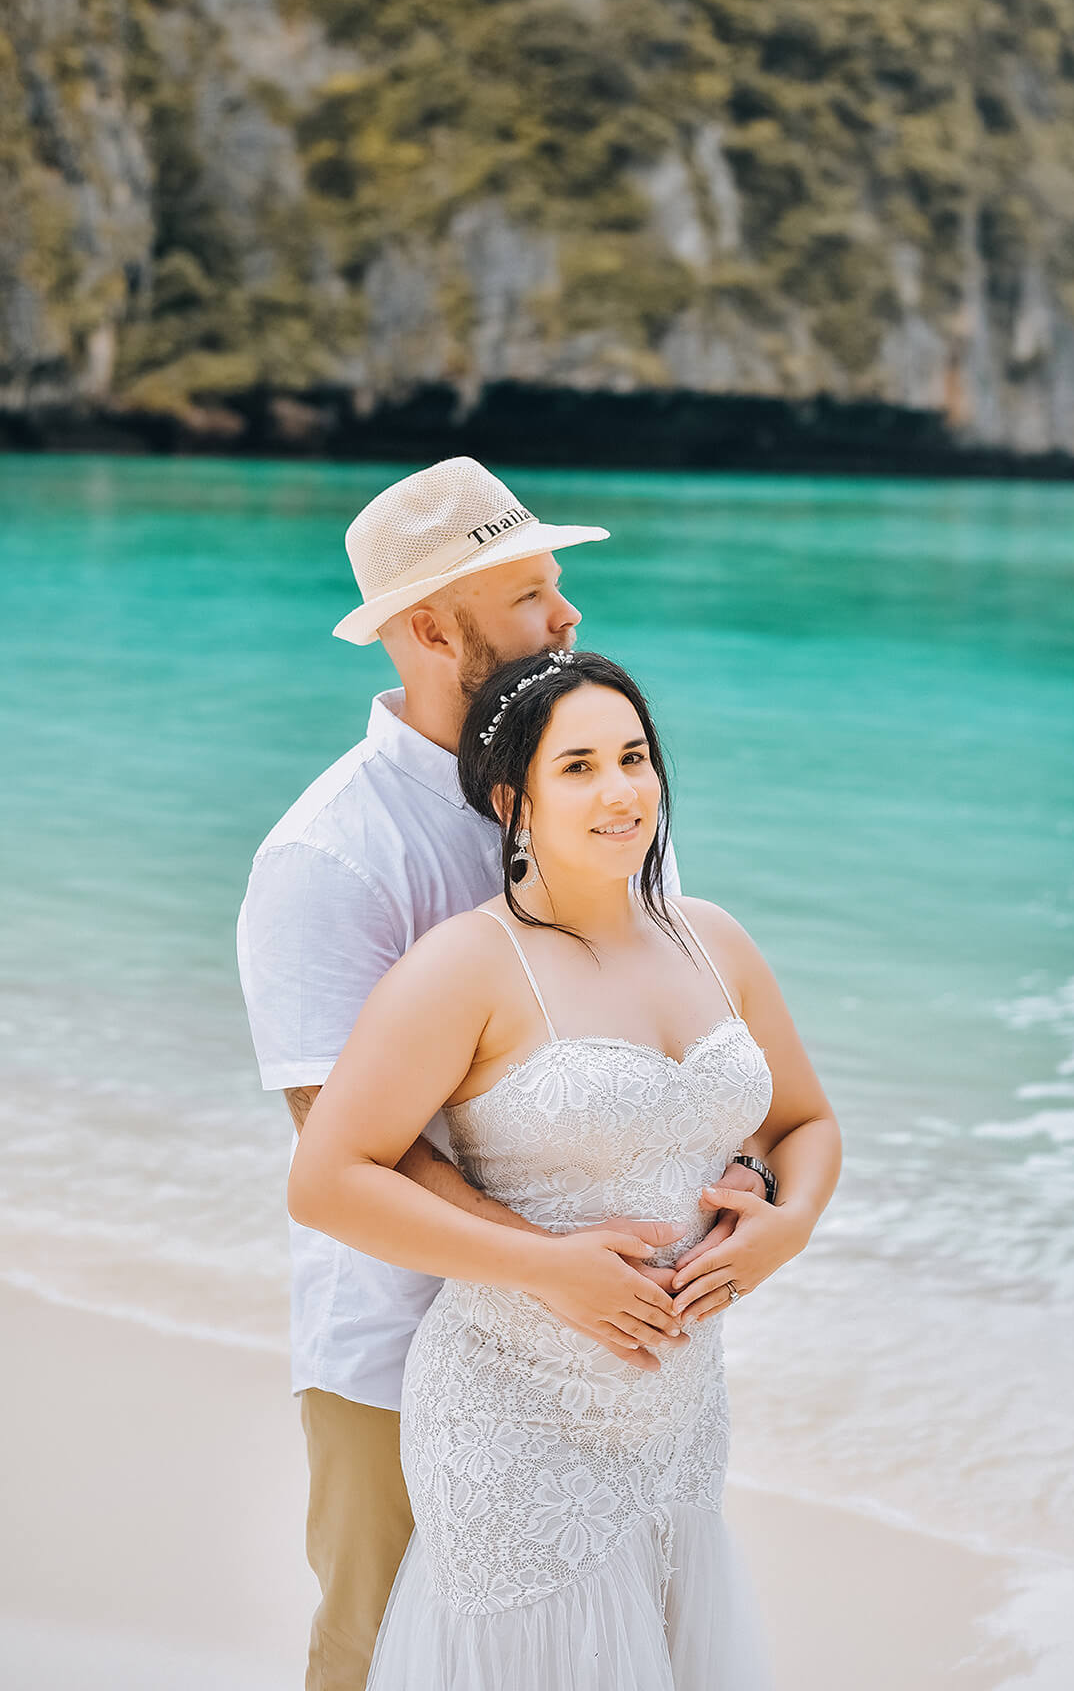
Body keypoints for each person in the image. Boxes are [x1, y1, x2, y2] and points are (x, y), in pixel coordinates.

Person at [237, 458, 767, 1691]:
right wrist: (547, 1276)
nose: (568, 617)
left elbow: (675, 1006)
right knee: (379, 1654)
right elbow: (341, 1137)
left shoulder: (604, 788)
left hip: (626, 1360)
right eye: (529, 593)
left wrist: (737, 1170)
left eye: (559, 585)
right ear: (428, 629)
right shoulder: (330, 853)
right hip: (400, 1342)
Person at [289, 648, 842, 1689]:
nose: (621, 788)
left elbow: (804, 1121)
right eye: (579, 765)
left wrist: (790, 1220)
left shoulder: (711, 937)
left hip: (678, 1409)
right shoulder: (465, 964)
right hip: (512, 1412)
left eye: (633, 756)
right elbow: (327, 1177)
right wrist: (541, 1264)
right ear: (515, 799)